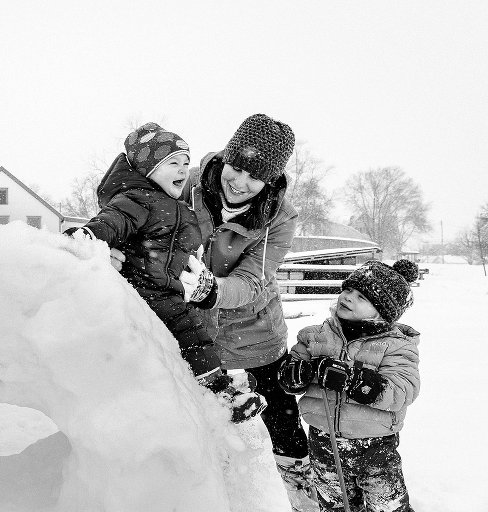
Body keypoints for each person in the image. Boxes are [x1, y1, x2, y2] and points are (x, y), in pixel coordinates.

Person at [66, 122, 266, 422]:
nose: (184, 170)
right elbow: (110, 223)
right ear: (148, 169)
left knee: (196, 336)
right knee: (193, 337)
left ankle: (215, 386)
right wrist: (85, 238)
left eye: (186, 162)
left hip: (165, 288)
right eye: (173, 163)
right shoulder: (137, 199)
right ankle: (219, 397)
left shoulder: (171, 205)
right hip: (146, 290)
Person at [178, 114, 318, 511]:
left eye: (253, 177)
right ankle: (209, 489)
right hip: (190, 330)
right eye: (235, 167)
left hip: (254, 329)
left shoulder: (280, 216)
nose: (239, 182)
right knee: (198, 408)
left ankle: (303, 490)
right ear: (225, 157)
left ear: (270, 181)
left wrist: (212, 290)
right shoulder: (187, 183)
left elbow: (254, 279)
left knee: (282, 417)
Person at [278, 259, 420, 511]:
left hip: (375, 448)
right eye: (348, 290)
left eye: (361, 297)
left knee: (388, 507)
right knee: (334, 506)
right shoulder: (314, 335)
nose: (348, 297)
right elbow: (290, 378)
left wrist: (353, 380)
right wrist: (296, 375)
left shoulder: (396, 345)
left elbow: (402, 391)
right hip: (323, 443)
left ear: (381, 311)